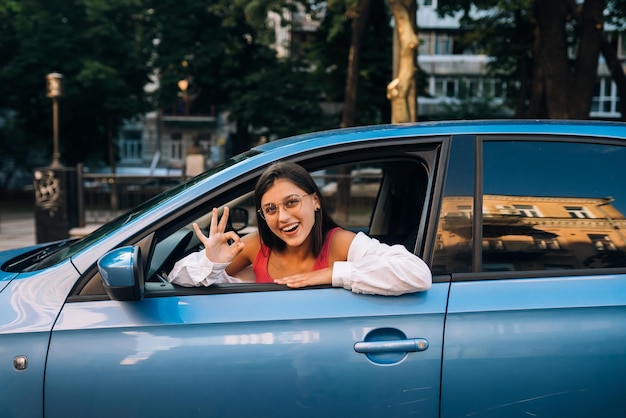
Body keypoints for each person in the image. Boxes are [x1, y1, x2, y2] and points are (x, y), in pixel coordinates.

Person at [168, 161, 432, 296]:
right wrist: (211, 262)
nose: (282, 217)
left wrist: (332, 274)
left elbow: (417, 274)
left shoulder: (339, 243)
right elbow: (176, 278)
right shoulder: (255, 245)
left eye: (292, 202)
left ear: (315, 201)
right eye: (270, 209)